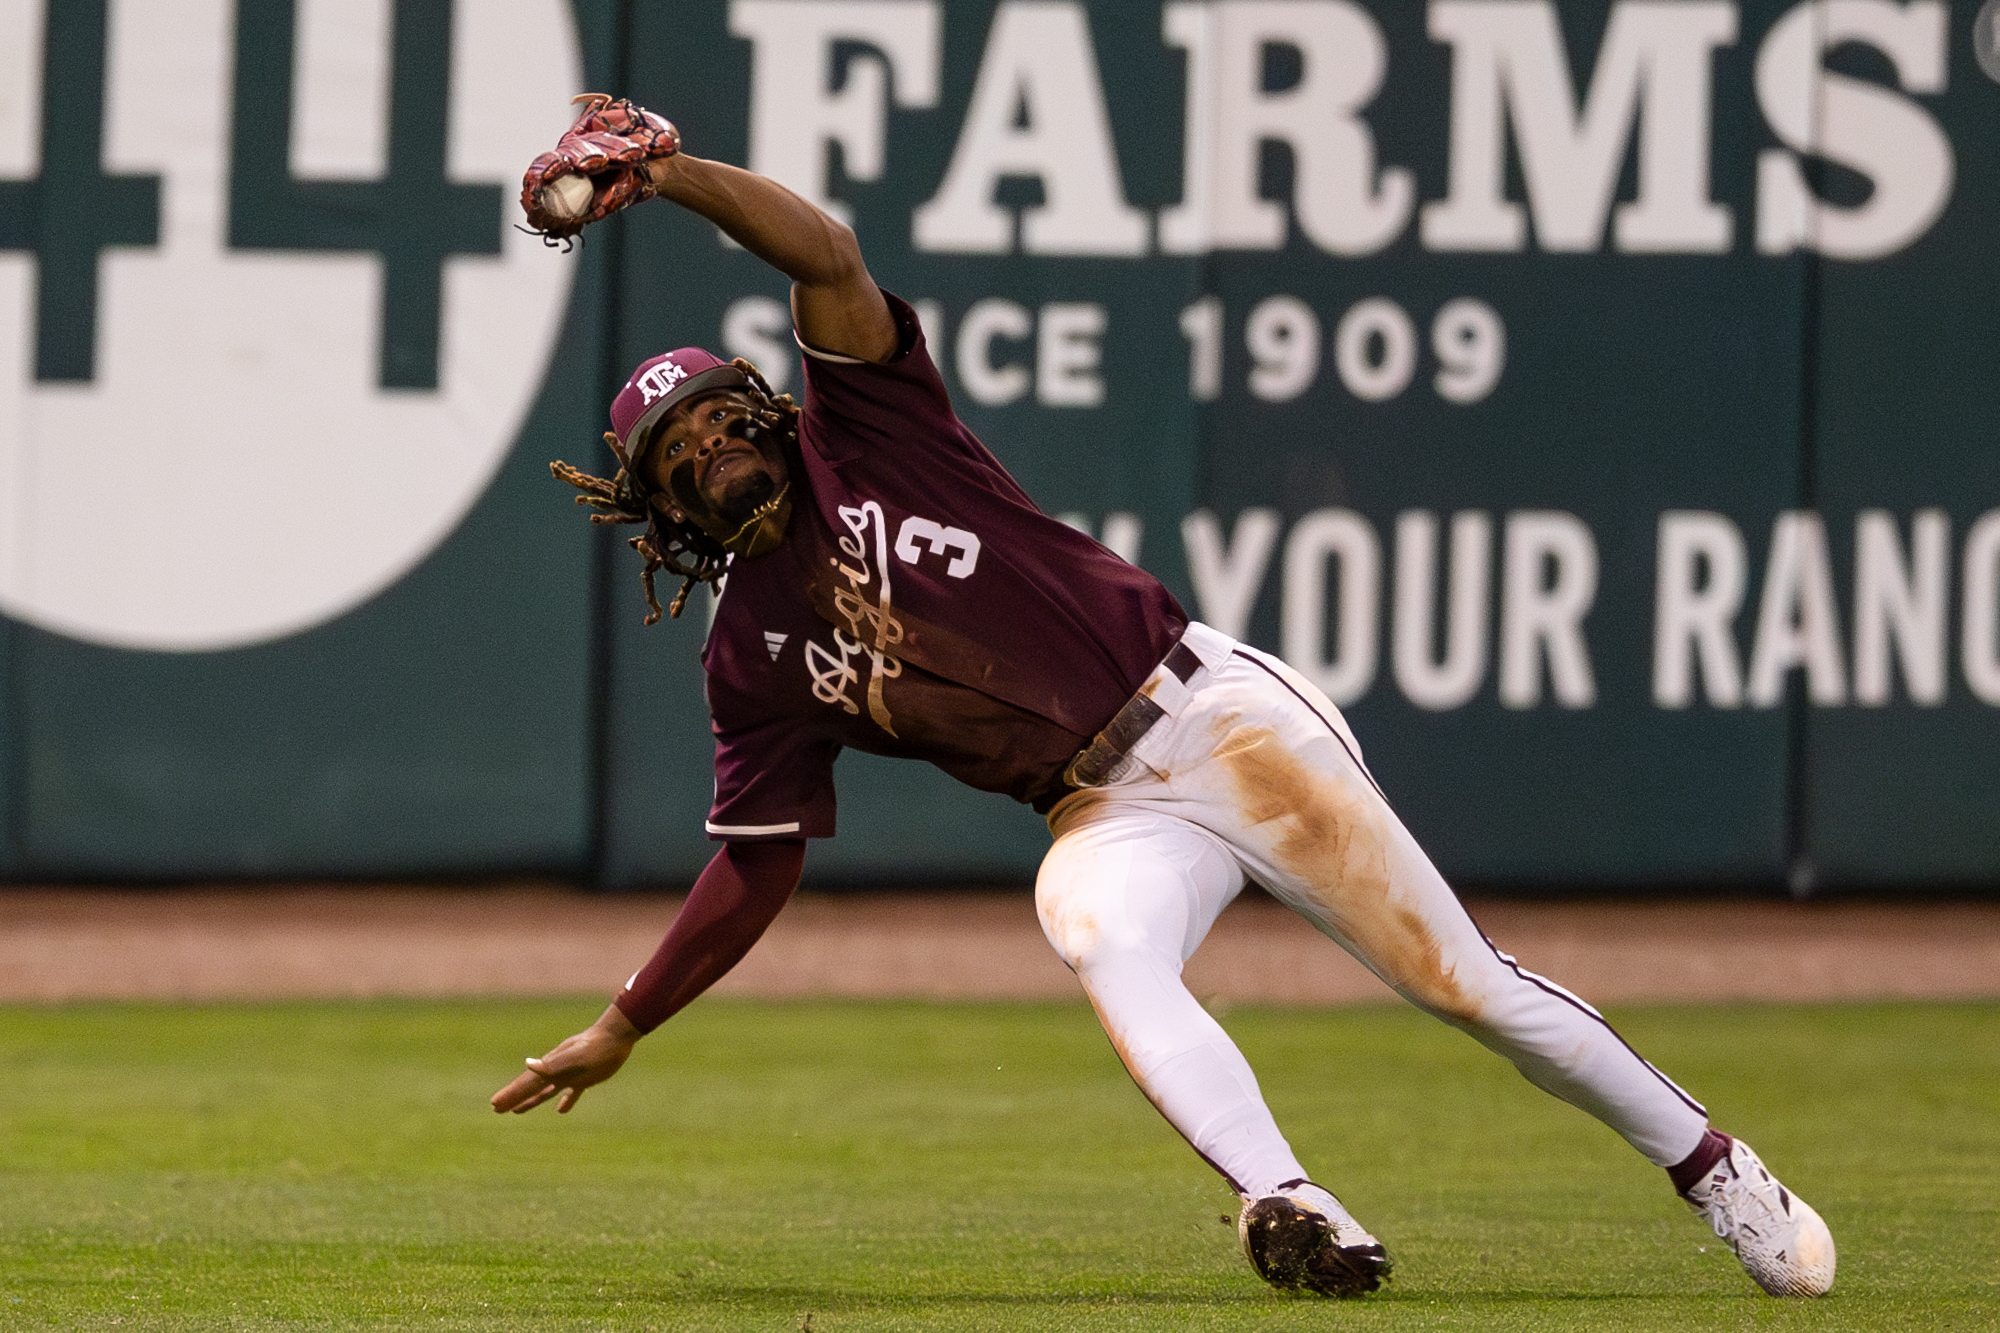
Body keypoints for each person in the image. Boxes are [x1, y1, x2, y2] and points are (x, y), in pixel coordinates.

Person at [492, 97, 1835, 1299]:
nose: (713, 445)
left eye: (725, 414)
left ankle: (1715, 1165)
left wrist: (671, 177)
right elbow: (753, 870)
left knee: (1466, 987)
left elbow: (828, 256)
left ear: (772, 411)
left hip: (1213, 715)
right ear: (654, 503)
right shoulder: (750, 662)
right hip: (1101, 807)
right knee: (1094, 932)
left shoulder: (871, 432)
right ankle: (1288, 1198)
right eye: (679, 449)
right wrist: (625, 1021)